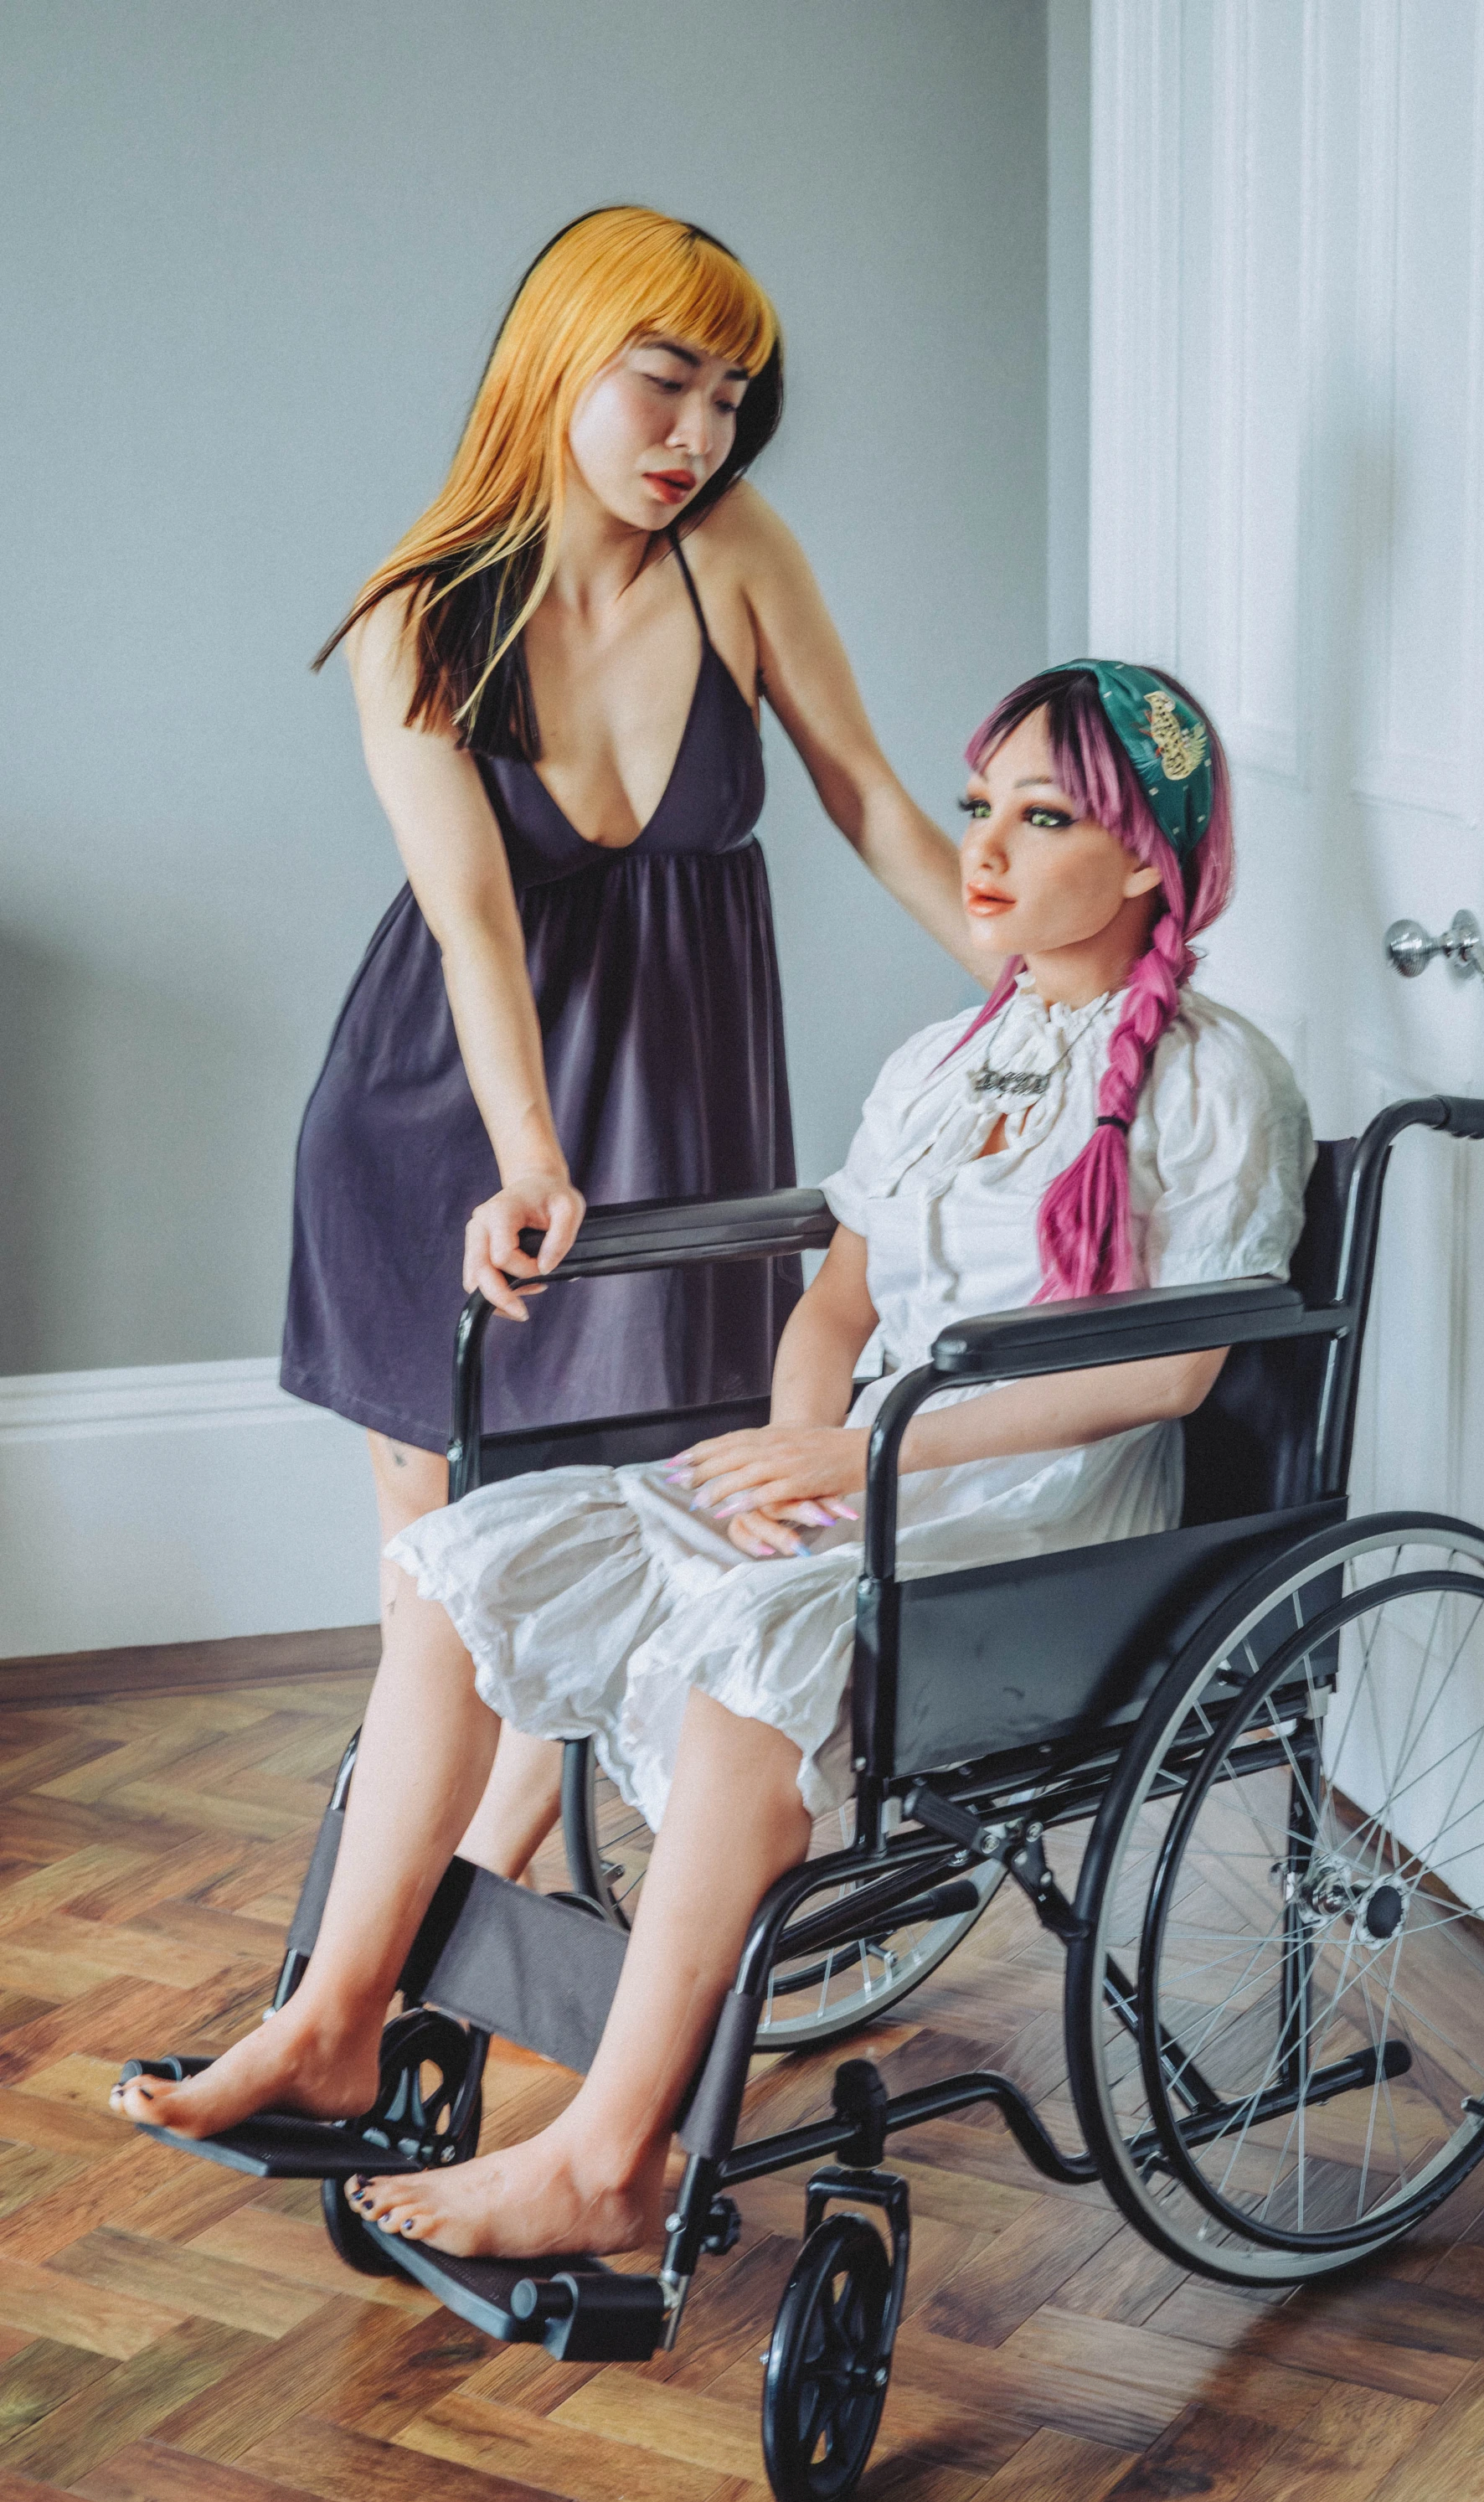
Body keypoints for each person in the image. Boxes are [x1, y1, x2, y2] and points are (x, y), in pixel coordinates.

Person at [117, 661, 1314, 2266]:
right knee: (461, 1566)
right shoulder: (941, 1063)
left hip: (1044, 1517)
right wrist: (798, 1445)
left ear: (1154, 858)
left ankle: (611, 2156)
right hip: (873, 1463)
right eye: (980, 808)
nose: (988, 848)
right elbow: (835, 1303)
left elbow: (1168, 1369)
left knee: (753, 1645)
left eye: (1045, 817)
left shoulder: (1222, 1079)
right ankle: (335, 2021)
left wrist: (872, 1448)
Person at [280, 205, 977, 1882]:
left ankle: (433, 1968)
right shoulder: (419, 616)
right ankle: (398, 1979)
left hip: (678, 1113)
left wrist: (1044, 983)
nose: (699, 435)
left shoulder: (730, 552)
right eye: (664, 382)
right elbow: (472, 918)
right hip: (450, 1125)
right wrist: (529, 1156)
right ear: (557, 362)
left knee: (643, 1548)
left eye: (731, 398)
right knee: (445, 1593)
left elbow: (869, 793)